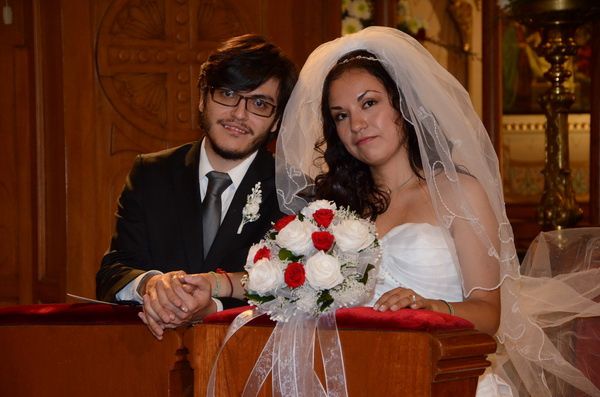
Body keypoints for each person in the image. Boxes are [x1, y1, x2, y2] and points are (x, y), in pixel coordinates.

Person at [274, 27, 600, 397]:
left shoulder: (459, 193)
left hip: (447, 377)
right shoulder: (336, 209)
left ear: (403, 105)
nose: (357, 124)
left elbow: (489, 314)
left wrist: (432, 308)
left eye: (369, 103)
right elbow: (288, 283)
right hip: (358, 377)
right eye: (341, 116)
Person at [96, 33, 298, 339]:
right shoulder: (150, 173)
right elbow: (114, 269)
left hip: (245, 360)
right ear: (202, 97)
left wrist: (214, 306)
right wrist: (151, 285)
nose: (239, 114)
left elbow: (294, 287)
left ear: (276, 120)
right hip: (150, 358)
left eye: (259, 103)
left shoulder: (291, 189)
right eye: (228, 94)